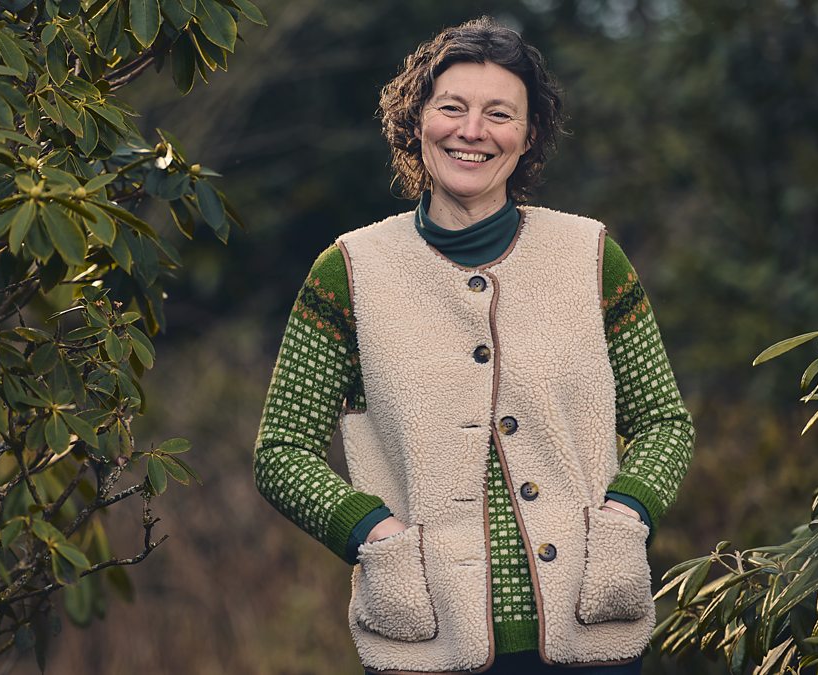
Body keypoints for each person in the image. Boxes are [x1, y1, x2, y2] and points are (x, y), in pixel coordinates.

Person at [253, 16, 694, 675]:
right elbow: (281, 452)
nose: (472, 130)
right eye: (451, 107)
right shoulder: (350, 272)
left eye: (499, 114)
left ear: (529, 134)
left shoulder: (591, 256)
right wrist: (376, 535)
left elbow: (665, 423)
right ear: (416, 120)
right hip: (426, 642)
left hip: (593, 638)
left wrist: (624, 520)